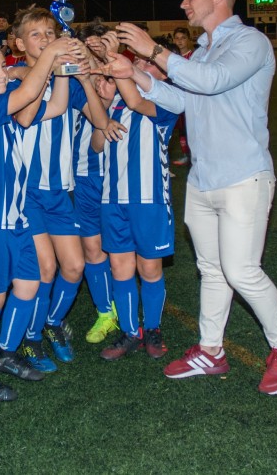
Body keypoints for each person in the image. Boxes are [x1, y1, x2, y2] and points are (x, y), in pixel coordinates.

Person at [113, 0, 277, 395]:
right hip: (203, 179)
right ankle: (211, 350)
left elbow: (213, 82)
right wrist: (131, 72)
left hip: (243, 176)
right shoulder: (200, 52)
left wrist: (154, 52)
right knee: (211, 269)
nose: (183, 3)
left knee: (242, 270)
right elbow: (181, 97)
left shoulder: (249, 41)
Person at [0, 38, 80, 402]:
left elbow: (54, 105)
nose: (1, 72)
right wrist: (51, 53)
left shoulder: (4, 113)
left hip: (17, 219)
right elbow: (24, 94)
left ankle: (5, 352)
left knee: (29, 286)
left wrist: (62, 72)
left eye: (0, 65)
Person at [4, 7, 111, 372]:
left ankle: (50, 322)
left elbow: (100, 121)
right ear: (19, 43)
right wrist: (30, 70)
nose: (46, 40)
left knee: (74, 266)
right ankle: (31, 338)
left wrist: (82, 80)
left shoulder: (64, 78)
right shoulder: (16, 82)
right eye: (36, 35)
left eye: (50, 33)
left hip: (59, 192)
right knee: (45, 267)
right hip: (26, 191)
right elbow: (23, 113)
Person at [89, 52, 183, 361]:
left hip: (149, 200)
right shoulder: (116, 100)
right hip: (113, 199)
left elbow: (136, 102)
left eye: (150, 63)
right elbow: (97, 145)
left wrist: (119, 75)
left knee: (150, 268)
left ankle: (153, 328)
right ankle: (130, 332)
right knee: (120, 268)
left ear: (164, 74)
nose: (143, 65)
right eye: (140, 61)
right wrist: (103, 110)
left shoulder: (167, 102)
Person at [73, 19, 125, 345]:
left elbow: (106, 135)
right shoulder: (76, 85)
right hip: (84, 177)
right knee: (92, 249)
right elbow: (96, 136)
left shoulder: (123, 80)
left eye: (96, 48)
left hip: (120, 178)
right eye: (86, 50)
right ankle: (105, 312)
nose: (91, 56)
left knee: (120, 250)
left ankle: (126, 308)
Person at [169, 26, 195, 166]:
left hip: (190, 99)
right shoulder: (171, 56)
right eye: (177, 38)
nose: (179, 41)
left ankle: (195, 155)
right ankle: (186, 155)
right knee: (180, 130)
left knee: (191, 128)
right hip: (175, 98)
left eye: (183, 38)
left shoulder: (195, 56)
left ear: (189, 40)